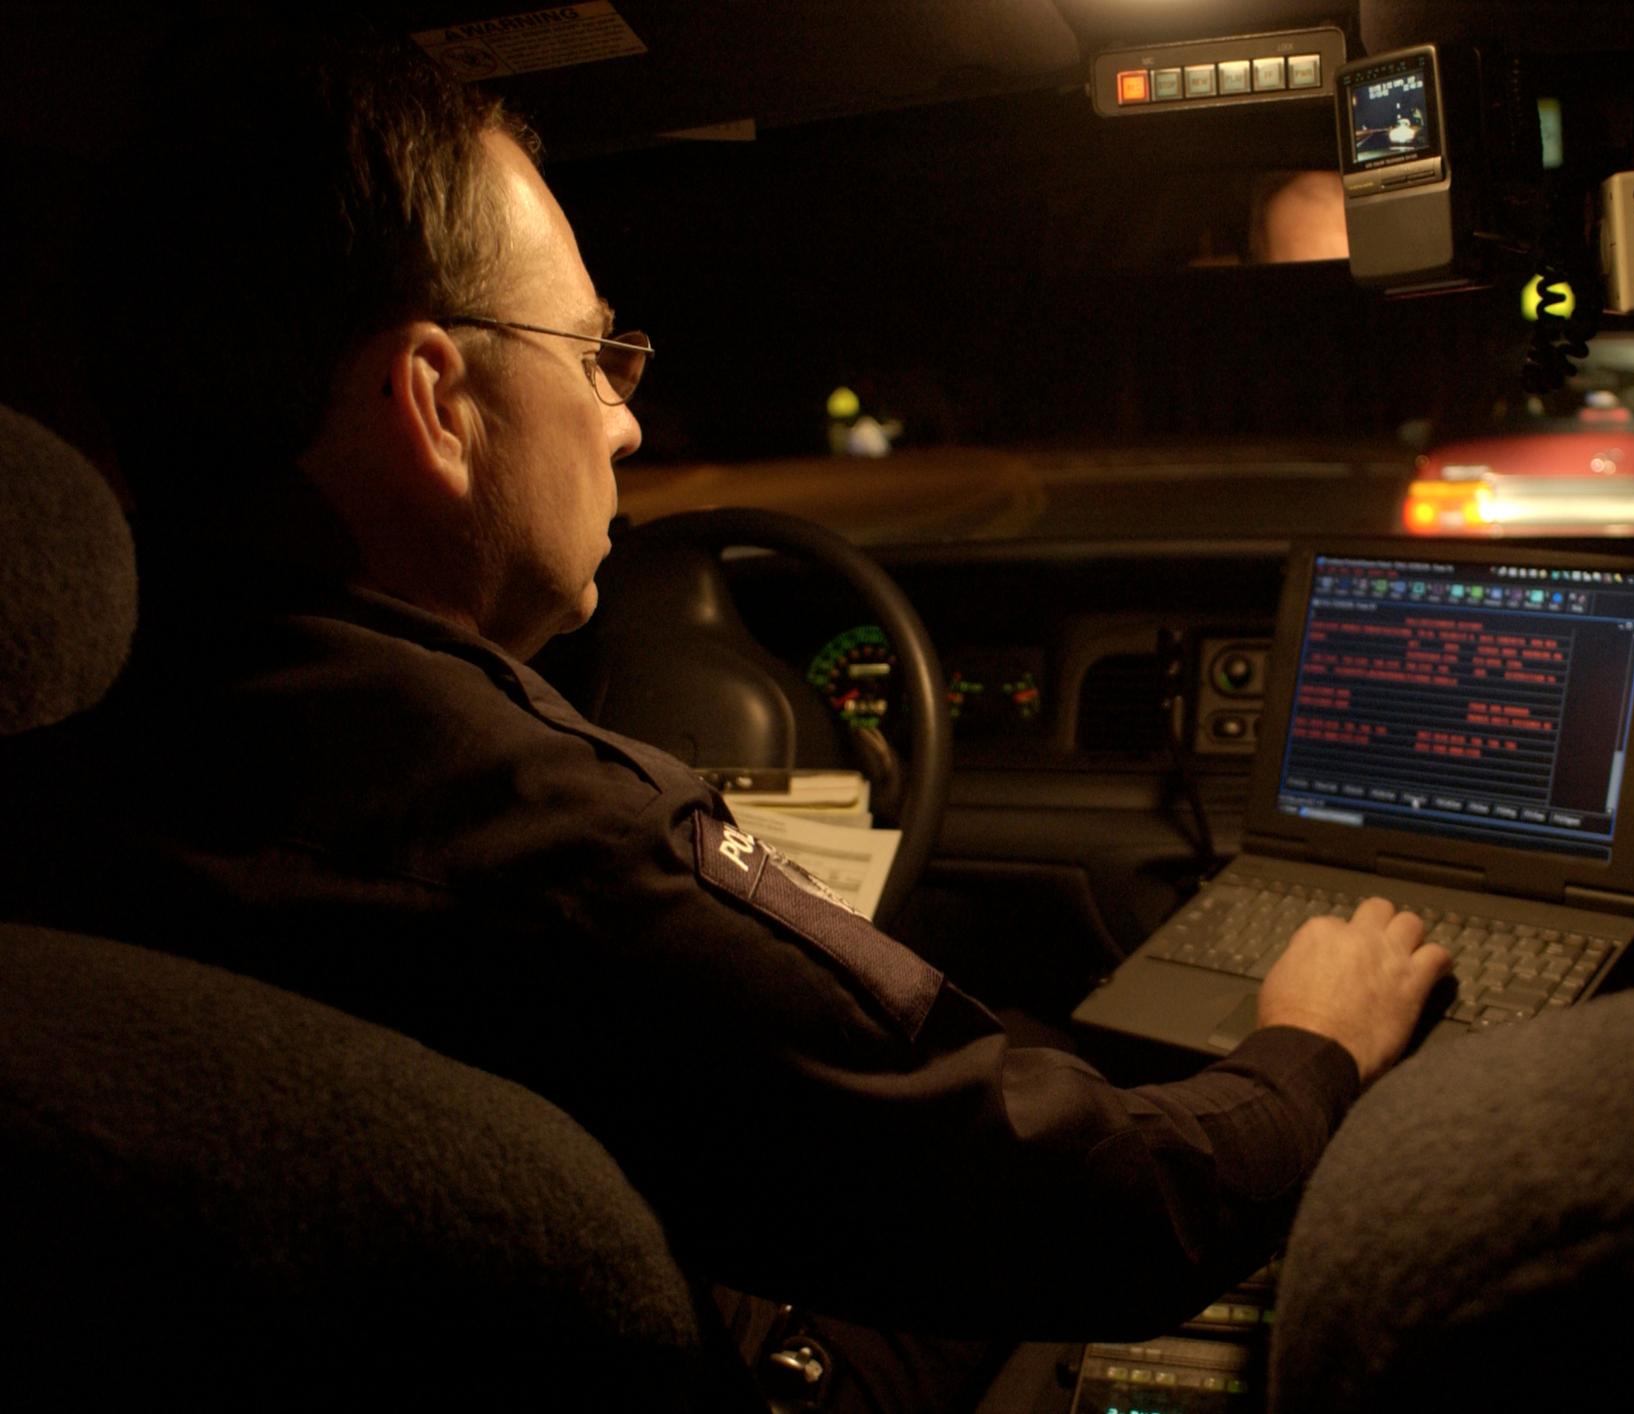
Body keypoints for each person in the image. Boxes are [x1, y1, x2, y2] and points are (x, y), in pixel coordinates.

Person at [0, 27, 1451, 1411]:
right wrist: (1307, 1047)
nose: (626, 419)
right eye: (590, 356)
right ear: (436, 401)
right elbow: (1115, 1213)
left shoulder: (80, 784)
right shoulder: (564, 849)